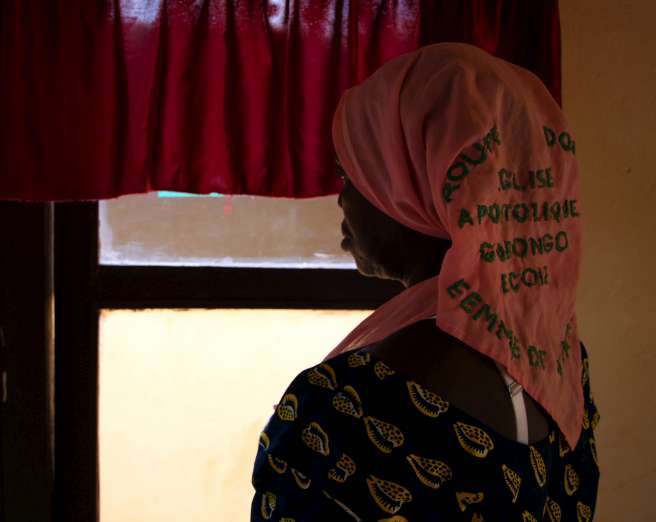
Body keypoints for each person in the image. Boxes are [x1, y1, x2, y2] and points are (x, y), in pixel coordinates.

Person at [251, 43, 599, 521]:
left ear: (420, 184)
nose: (342, 201)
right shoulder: (561, 371)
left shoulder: (347, 407)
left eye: (352, 174)